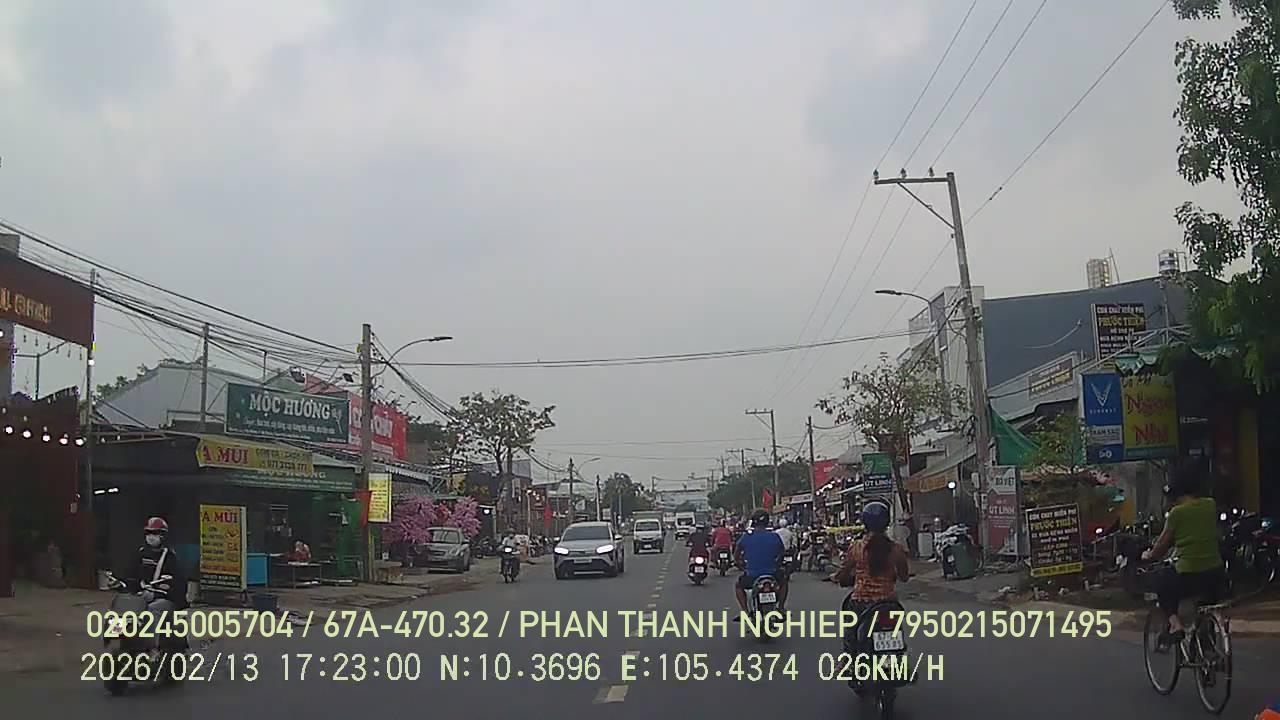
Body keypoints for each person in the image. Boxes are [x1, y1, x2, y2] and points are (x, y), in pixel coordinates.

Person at [1141, 460, 1225, 643]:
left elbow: (1161, 546)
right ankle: (1208, 646)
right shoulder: (1210, 505)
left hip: (1189, 574)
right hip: (1216, 573)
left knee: (1162, 584)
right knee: (1206, 606)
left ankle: (1175, 624)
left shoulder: (1177, 514)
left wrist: (1149, 555)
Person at [830, 501, 909, 615]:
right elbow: (904, 577)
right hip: (888, 603)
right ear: (887, 523)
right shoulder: (896, 549)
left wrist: (836, 577)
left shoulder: (857, 547)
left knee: (849, 623)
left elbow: (844, 572)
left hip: (861, 603)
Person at [129, 517, 188, 612]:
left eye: (155, 533)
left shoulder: (171, 557)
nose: (151, 536)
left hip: (166, 598)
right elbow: (131, 575)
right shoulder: (140, 553)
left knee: (152, 609)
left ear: (163, 536)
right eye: (148, 533)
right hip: (143, 595)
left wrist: (162, 589)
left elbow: (179, 585)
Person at [734, 509, 787, 612]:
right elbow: (781, 553)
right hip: (772, 574)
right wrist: (777, 565)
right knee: (783, 582)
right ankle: (781, 607)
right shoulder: (774, 536)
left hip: (752, 576)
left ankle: (745, 612)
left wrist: (740, 565)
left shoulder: (747, 536)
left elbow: (737, 554)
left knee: (738, 586)